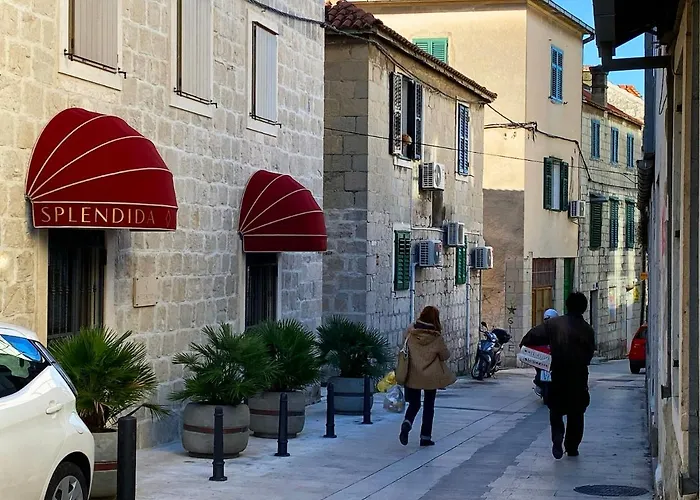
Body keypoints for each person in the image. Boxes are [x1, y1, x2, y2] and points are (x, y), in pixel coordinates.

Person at [520, 292, 595, 460]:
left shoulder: (553, 324)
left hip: (558, 374)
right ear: (584, 308)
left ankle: (557, 436)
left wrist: (545, 353)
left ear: (567, 305)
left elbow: (529, 338)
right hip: (578, 377)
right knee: (577, 413)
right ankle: (572, 446)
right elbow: (589, 355)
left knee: (556, 410)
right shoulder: (588, 330)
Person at [399, 306, 456, 447]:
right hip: (431, 376)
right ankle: (425, 437)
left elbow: (403, 348)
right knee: (429, 405)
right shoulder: (436, 337)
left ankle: (407, 422)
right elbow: (445, 355)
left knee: (414, 403)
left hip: (413, 374)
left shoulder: (410, 334)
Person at [533, 309, 559, 395]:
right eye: (546, 320)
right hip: (543, 357)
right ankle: (539, 383)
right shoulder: (539, 330)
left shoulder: (560, 331)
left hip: (555, 356)